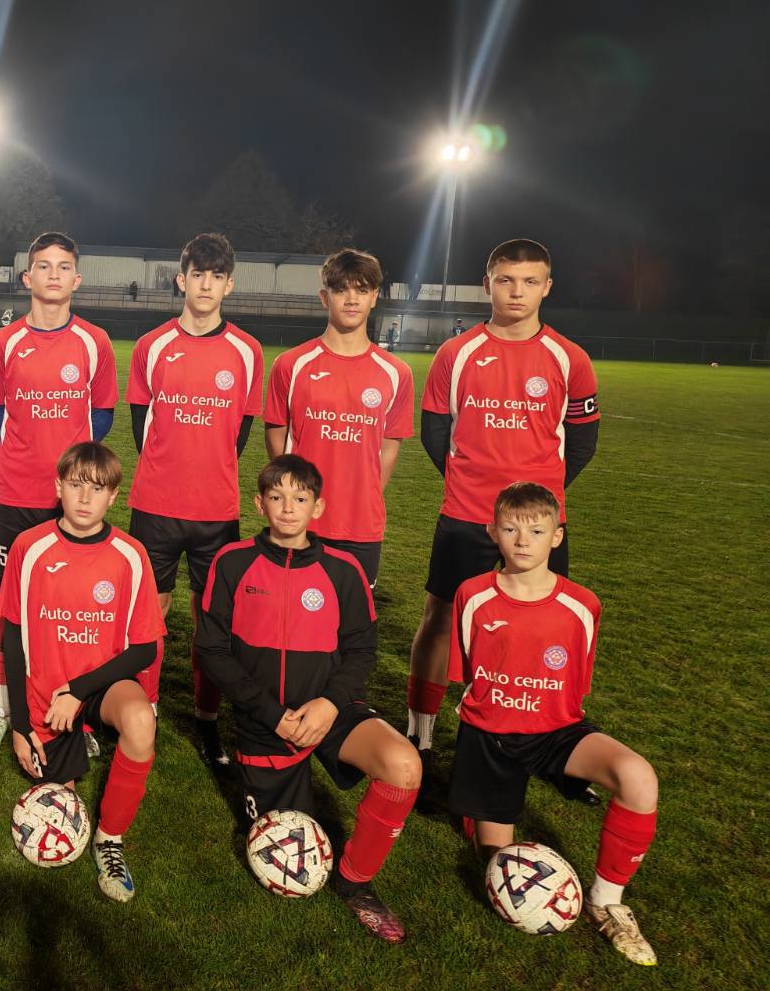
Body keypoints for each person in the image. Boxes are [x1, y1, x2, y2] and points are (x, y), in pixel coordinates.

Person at [195, 455, 421, 943]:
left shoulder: (344, 570)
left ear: (318, 507)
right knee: (284, 851)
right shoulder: (232, 562)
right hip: (265, 721)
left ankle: (355, 882)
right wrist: (271, 714)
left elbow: (361, 650)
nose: (288, 508)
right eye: (276, 497)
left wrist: (331, 703)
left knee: (403, 766)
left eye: (300, 498)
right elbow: (211, 651)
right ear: (259, 504)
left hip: (331, 710)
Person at [406, 239, 599, 768]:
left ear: (547, 287)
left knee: (545, 623)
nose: (517, 292)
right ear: (487, 283)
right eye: (506, 280)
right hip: (467, 514)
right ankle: (420, 730)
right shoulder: (456, 354)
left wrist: (538, 505)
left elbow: (583, 441)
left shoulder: (570, 358)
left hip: (539, 525)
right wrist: (468, 483)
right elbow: (434, 432)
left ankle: (542, 735)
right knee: (440, 616)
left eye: (530, 281)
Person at [448, 482, 658, 966]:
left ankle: (607, 902)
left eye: (537, 531)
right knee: (498, 864)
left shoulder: (583, 604)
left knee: (638, 777)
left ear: (557, 536)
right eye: (511, 529)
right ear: (492, 532)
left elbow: (575, 688)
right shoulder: (472, 595)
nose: (523, 541)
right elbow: (468, 671)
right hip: (491, 738)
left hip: (556, 731)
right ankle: (479, 812)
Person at [0, 441, 163, 902]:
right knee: (59, 806)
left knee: (140, 721)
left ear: (113, 496)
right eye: (76, 485)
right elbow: (12, 638)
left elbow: (144, 648)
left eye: (97, 488)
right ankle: (68, 752)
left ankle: (110, 840)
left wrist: (78, 689)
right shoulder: (30, 548)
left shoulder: (130, 554)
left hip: (101, 685)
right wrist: (19, 725)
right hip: (46, 695)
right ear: (58, 488)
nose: (85, 498)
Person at [126, 231, 262, 773]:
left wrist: (206, 471)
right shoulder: (151, 345)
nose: (206, 285)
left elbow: (238, 435)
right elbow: (142, 428)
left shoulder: (247, 352)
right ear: (181, 280)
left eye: (216, 276)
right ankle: (146, 708)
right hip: (155, 506)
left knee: (213, 622)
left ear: (230, 284)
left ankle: (207, 720)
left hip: (216, 512)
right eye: (197, 274)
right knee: (148, 615)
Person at [0, 232, 118, 752]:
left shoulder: (95, 342)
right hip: (15, 494)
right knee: (9, 608)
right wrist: (24, 448)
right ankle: (1, 708)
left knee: (70, 610)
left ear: (76, 279)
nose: (53, 274)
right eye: (43, 266)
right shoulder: (4, 342)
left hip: (73, 502)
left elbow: (102, 412)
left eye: (62, 267)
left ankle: (74, 710)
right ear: (27, 277)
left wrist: (72, 469)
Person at [264, 248, 412, 591]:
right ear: (324, 297)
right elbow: (276, 436)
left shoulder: (396, 372)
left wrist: (365, 492)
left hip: (361, 524)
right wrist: (295, 493)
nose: (351, 299)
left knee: (352, 618)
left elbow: (390, 444)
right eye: (341, 289)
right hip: (299, 520)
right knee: (292, 615)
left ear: (374, 297)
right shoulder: (291, 365)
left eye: (362, 290)